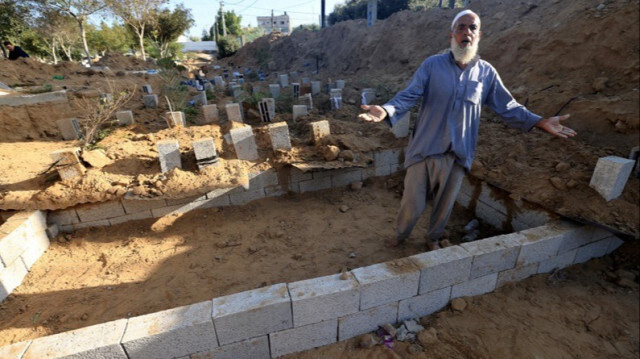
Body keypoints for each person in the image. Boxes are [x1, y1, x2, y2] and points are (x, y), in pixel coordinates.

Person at [358, 10, 576, 251]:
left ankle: (433, 238)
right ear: (451, 34)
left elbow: (508, 106)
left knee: (445, 205)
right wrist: (387, 110)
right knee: (412, 202)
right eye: (461, 27)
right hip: (425, 149)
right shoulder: (432, 65)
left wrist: (539, 121)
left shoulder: (486, 73)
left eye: (472, 28)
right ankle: (401, 235)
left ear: (479, 35)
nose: (466, 32)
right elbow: (410, 94)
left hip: (458, 153)